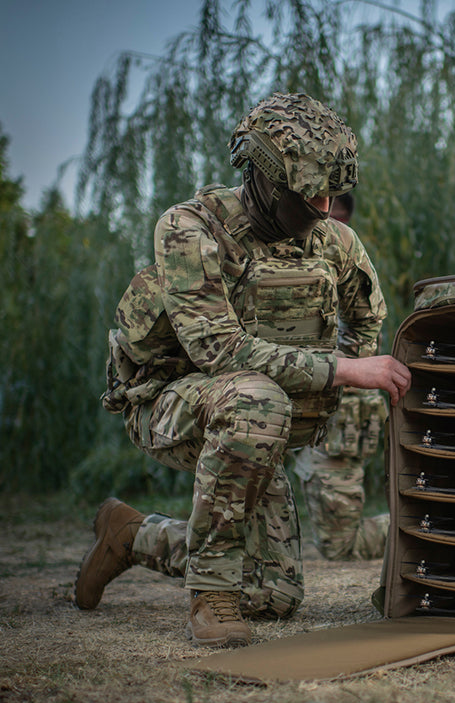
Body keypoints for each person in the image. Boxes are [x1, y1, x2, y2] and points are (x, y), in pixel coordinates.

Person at [74, 92, 411, 648]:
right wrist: (345, 372)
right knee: (257, 400)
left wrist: (339, 398)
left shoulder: (335, 243)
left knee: (275, 596)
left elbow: (365, 318)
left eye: (334, 194)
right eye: (311, 195)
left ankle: (129, 536)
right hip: (169, 406)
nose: (325, 208)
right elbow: (220, 351)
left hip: (261, 425)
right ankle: (212, 598)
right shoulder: (190, 229)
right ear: (264, 179)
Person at [290, 191, 391, 561]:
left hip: (339, 413)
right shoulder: (278, 253)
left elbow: (366, 333)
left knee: (339, 544)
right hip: (279, 393)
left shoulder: (349, 258)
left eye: (337, 216)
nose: (329, 223)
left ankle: (437, 526)